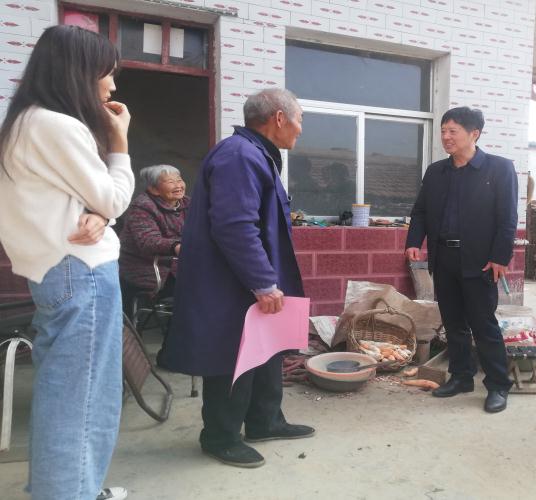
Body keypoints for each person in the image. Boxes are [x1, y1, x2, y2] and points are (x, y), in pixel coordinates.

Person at [0, 25, 132, 500]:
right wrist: (120, 140)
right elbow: (115, 198)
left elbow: (87, 202)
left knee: (65, 392)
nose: (111, 86)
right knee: (84, 398)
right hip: (82, 272)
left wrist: (98, 212)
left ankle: (67, 488)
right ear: (78, 73)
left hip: (53, 270)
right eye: (106, 74)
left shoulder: (20, 124)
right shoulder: (58, 125)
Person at [161, 88, 314, 468]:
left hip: (251, 277)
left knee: (266, 350)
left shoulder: (256, 153)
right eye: (300, 120)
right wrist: (262, 281)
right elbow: (234, 226)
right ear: (279, 118)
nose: (300, 129)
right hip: (231, 282)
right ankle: (220, 437)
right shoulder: (239, 155)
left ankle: (264, 421)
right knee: (233, 356)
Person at [405, 107, 517, 413]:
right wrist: (414, 241)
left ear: (474, 134)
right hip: (444, 258)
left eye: (452, 131)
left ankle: (498, 385)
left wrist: (500, 257)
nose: (445, 137)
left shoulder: (499, 169)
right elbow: (420, 211)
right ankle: (461, 377)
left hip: (480, 262)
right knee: (453, 323)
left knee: (483, 324)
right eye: (443, 131)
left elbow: (507, 218)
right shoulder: (436, 172)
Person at [118, 165, 189, 315]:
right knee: (197, 291)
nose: (178, 186)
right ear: (154, 189)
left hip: (181, 266)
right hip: (149, 268)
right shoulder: (142, 207)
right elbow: (148, 240)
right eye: (171, 182)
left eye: (179, 180)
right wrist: (176, 246)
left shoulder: (188, 204)